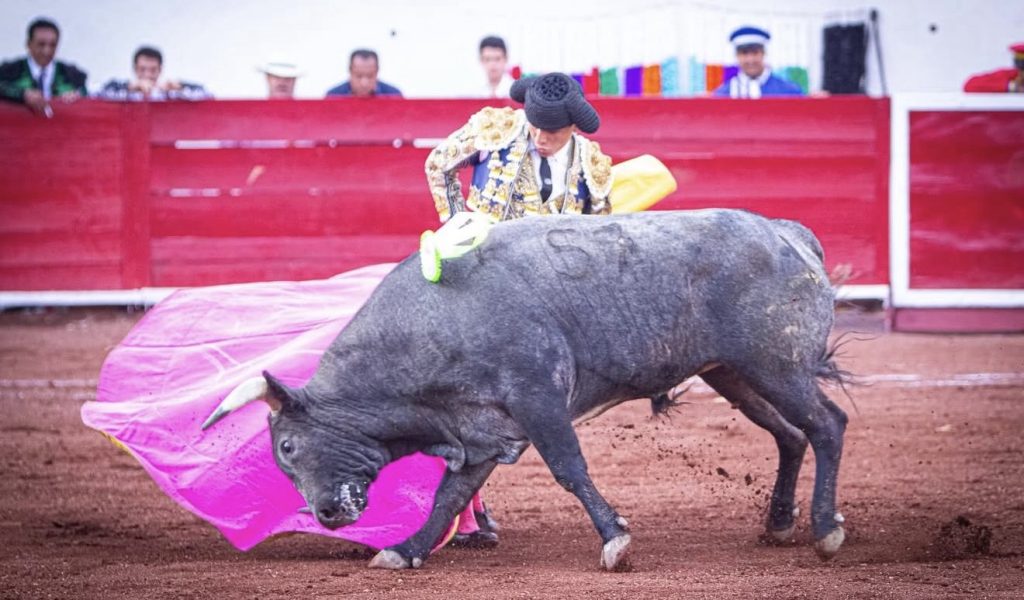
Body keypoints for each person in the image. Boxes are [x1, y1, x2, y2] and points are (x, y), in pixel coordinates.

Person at [425, 72, 613, 224]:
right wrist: (456, 224)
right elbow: (438, 164)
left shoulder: (591, 162)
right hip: (489, 261)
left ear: (573, 127)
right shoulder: (497, 128)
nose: (540, 139)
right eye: (534, 126)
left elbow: (596, 232)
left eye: (551, 132)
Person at [0, 17, 87, 116]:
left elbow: (86, 91)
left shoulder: (73, 75)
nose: (47, 51)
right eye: (41, 44)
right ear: (29, 44)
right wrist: (23, 95)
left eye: (52, 45)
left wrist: (77, 95)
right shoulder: (9, 71)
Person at [713, 26, 804, 98]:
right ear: (737, 56)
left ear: (764, 53)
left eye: (755, 53)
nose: (750, 60)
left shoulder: (789, 92)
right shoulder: (723, 94)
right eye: (744, 53)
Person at [96, 46, 210, 101]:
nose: (147, 75)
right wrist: (130, 87)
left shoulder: (168, 94)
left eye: (153, 70)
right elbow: (97, 95)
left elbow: (207, 95)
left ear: (160, 70)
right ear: (135, 69)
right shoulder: (124, 93)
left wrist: (180, 86)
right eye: (142, 69)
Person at [326, 49, 402, 97]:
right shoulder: (334, 96)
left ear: (377, 71)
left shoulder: (393, 96)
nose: (364, 83)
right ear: (350, 71)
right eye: (358, 76)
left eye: (370, 76)